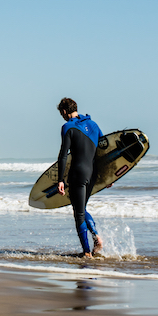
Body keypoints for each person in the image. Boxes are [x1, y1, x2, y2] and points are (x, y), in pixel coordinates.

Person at [56, 97, 104, 258]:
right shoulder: (93, 124)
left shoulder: (67, 127)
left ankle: (87, 252)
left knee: (78, 213)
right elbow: (104, 150)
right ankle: (96, 238)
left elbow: (63, 156)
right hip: (94, 173)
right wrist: (107, 176)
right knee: (82, 208)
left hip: (78, 173)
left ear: (64, 111)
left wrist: (60, 179)